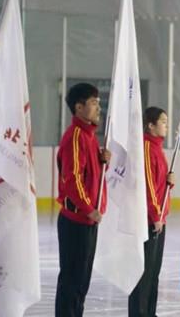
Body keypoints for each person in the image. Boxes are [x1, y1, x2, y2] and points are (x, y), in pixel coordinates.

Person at [55, 83, 110, 317]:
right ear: (79, 107)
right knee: (72, 280)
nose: (99, 108)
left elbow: (89, 174)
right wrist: (88, 209)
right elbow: (72, 179)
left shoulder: (89, 136)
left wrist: (100, 160)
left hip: (87, 221)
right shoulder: (76, 136)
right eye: (94, 103)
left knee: (81, 281)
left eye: (98, 102)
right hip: (76, 220)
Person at [128, 107, 174, 316]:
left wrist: (168, 183)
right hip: (149, 220)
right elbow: (148, 187)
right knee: (144, 272)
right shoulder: (147, 148)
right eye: (163, 121)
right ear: (151, 125)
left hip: (158, 218)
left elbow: (158, 184)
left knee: (154, 271)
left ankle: (149, 312)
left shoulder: (157, 148)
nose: (166, 125)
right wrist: (156, 216)